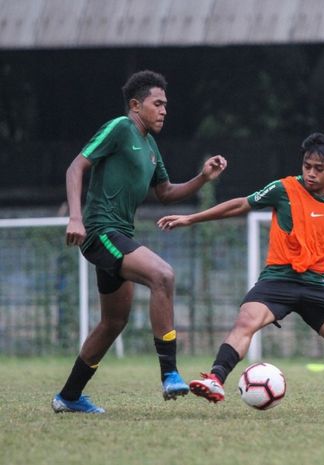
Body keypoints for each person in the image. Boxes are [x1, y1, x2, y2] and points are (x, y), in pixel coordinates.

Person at [157, 132, 324, 412]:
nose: (311, 174)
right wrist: (191, 218)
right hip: (278, 279)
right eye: (307, 166)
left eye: (319, 169)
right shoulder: (283, 189)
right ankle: (216, 378)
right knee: (245, 322)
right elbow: (240, 204)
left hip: (316, 285)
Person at [52, 70, 228, 414]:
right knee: (162, 275)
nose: (164, 110)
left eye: (166, 105)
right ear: (136, 105)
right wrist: (75, 217)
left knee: (114, 322)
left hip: (119, 236)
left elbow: (165, 192)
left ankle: (69, 397)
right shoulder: (120, 127)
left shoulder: (150, 146)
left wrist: (202, 178)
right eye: (157, 104)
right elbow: (76, 167)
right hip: (101, 231)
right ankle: (170, 373)